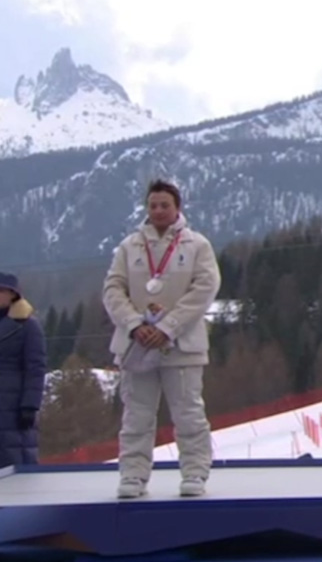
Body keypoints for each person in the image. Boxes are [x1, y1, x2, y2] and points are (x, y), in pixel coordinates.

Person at [102, 179, 221, 498]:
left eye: (164, 205)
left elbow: (205, 288)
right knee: (136, 416)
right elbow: (113, 289)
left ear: (177, 208)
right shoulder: (129, 247)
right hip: (137, 345)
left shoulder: (197, 245)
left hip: (181, 346)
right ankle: (133, 476)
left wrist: (167, 326)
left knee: (189, 414)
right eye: (153, 205)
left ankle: (195, 473)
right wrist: (134, 324)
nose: (158, 211)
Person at [0, 273, 46, 468]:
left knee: (15, 459)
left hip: (13, 407)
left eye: (1, 291)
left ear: (13, 294)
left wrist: (30, 405)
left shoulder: (27, 326)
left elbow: (35, 367)